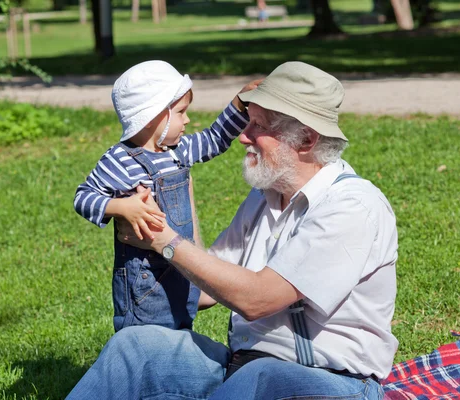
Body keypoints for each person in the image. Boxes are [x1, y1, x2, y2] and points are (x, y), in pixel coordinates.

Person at [67, 61, 398, 399]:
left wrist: (162, 240)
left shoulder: (351, 208)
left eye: (258, 126)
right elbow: (207, 287)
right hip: (240, 370)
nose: (242, 136)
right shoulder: (265, 197)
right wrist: (179, 187)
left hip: (331, 383)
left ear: (306, 139)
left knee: (261, 376)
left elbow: (257, 300)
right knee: (136, 347)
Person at [74, 60, 256, 333]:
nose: (187, 120)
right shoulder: (120, 160)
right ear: (154, 116)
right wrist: (122, 207)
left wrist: (239, 105)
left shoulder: (177, 149)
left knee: (180, 332)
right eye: (181, 112)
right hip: (145, 283)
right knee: (146, 342)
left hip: (180, 269)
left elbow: (215, 139)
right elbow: (83, 197)